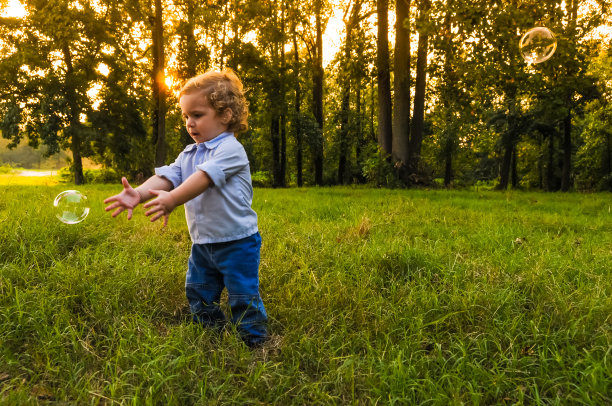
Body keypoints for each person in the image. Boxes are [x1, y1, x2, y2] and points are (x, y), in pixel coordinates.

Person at [103, 69, 268, 348]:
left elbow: (202, 178)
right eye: (185, 116)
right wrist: (140, 194)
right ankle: (210, 331)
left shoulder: (230, 149)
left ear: (225, 115)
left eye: (197, 115)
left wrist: (173, 200)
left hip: (237, 241)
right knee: (199, 289)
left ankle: (254, 341)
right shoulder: (190, 152)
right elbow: (168, 177)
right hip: (203, 242)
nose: (189, 123)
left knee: (243, 294)